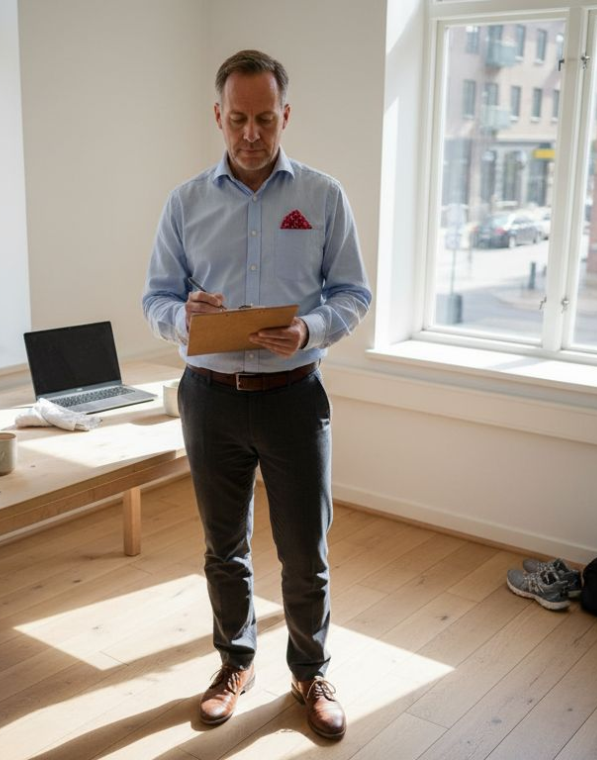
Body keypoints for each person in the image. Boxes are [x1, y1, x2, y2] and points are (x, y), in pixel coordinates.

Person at [142, 50, 371, 741]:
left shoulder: (323, 197)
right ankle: (235, 664)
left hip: (294, 397)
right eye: (237, 118)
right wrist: (184, 318)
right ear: (218, 115)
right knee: (224, 547)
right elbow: (154, 296)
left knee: (305, 551)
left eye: (264, 118)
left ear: (285, 116)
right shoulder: (184, 202)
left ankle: (311, 673)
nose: (250, 133)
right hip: (208, 397)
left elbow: (353, 292)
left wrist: (309, 327)